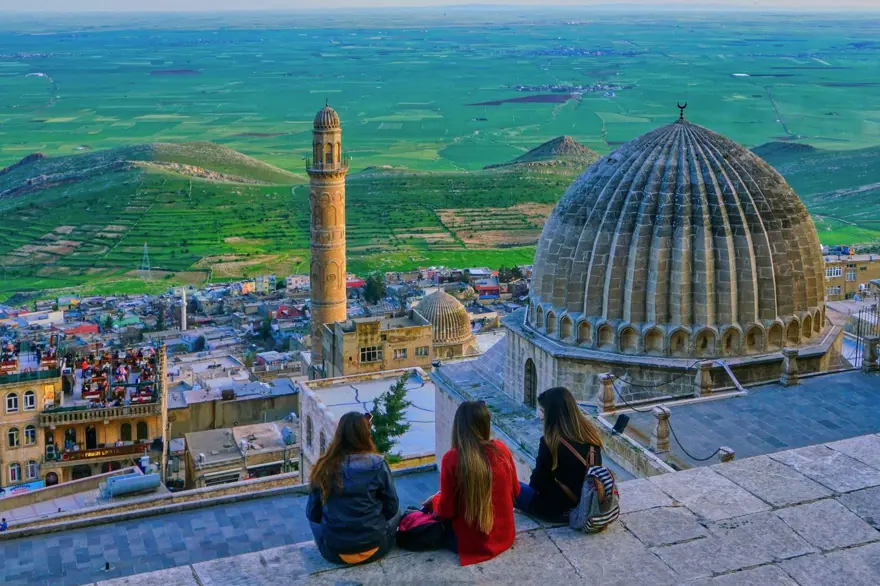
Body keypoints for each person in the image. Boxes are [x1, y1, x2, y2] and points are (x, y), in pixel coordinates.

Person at [426, 401, 519, 566]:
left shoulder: (452, 459)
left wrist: (435, 501)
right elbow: (516, 491)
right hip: (504, 536)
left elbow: (446, 511)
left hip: (470, 544)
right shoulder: (501, 449)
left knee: (420, 519)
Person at [306, 412, 400, 566]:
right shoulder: (378, 463)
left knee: (314, 519)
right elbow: (392, 507)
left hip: (334, 552)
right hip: (376, 547)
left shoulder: (324, 467)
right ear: (366, 434)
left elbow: (313, 513)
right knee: (399, 511)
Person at [515, 387, 603, 521]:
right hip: (587, 505)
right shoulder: (591, 436)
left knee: (512, 487)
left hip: (558, 510)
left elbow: (536, 483)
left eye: (543, 411)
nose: (541, 416)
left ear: (552, 414)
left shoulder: (550, 442)